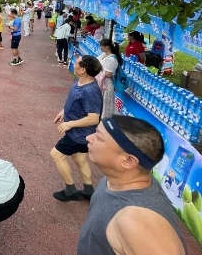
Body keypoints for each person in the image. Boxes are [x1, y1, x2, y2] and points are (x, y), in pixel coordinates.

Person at [77, 115, 186, 255]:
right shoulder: (114, 180)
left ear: (128, 161)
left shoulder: (136, 220)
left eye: (98, 137)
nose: (89, 138)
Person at [51, 55, 103, 202]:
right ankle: (88, 190)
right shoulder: (80, 81)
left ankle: (70, 190)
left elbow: (93, 118)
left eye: (77, 63)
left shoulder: (90, 91)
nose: (74, 64)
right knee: (79, 159)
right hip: (79, 133)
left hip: (79, 134)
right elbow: (73, 101)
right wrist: (63, 112)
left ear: (83, 70)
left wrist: (70, 124)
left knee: (56, 155)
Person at [96, 39, 122, 119]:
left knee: (105, 105)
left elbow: (108, 74)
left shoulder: (112, 59)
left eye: (101, 46)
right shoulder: (103, 55)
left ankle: (104, 123)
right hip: (100, 82)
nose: (100, 48)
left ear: (107, 47)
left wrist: (97, 71)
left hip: (106, 85)